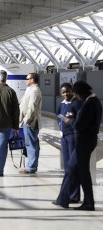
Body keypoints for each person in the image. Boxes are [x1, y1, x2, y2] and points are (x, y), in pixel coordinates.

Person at [53, 81, 102, 211]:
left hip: (84, 141)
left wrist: (69, 120)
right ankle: (86, 202)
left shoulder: (89, 104)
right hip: (88, 140)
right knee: (81, 171)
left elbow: (80, 125)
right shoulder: (95, 101)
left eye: (76, 94)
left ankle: (65, 199)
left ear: (80, 94)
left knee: (71, 168)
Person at [56, 82, 83, 203]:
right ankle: (69, 195)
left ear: (72, 91)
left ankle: (73, 196)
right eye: (63, 92)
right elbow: (59, 116)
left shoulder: (76, 104)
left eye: (68, 91)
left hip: (72, 136)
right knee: (67, 167)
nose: (66, 94)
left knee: (73, 167)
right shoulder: (62, 104)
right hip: (64, 137)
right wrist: (60, 127)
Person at [18, 72, 42, 175]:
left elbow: (32, 107)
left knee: (31, 144)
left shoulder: (35, 90)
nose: (25, 80)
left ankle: (31, 167)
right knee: (31, 144)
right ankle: (31, 166)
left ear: (32, 79)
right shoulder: (31, 90)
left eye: (27, 78)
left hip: (30, 122)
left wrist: (26, 120)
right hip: (28, 121)